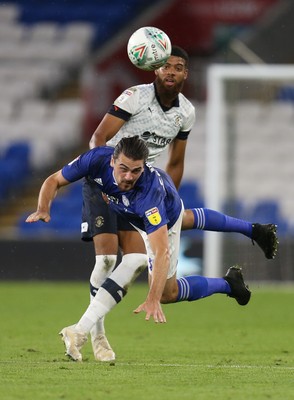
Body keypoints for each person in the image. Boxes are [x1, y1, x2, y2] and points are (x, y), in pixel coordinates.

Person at [77, 46, 277, 362]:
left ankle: (233, 271)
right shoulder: (134, 98)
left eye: (179, 67)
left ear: (186, 73)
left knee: (163, 280)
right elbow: (98, 139)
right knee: (104, 261)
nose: (171, 72)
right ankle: (96, 335)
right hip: (107, 183)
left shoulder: (186, 112)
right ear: (154, 69)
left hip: (143, 186)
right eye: (166, 66)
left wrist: (164, 205)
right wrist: (106, 177)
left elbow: (177, 161)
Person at [27, 136, 266, 362]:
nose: (129, 176)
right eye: (123, 168)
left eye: (136, 171)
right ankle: (80, 332)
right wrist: (43, 208)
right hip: (131, 211)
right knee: (118, 258)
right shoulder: (96, 159)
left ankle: (228, 283)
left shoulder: (148, 198)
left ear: (144, 167)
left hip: (162, 218)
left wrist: (152, 297)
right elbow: (53, 180)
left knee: (166, 293)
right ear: (112, 160)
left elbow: (161, 251)